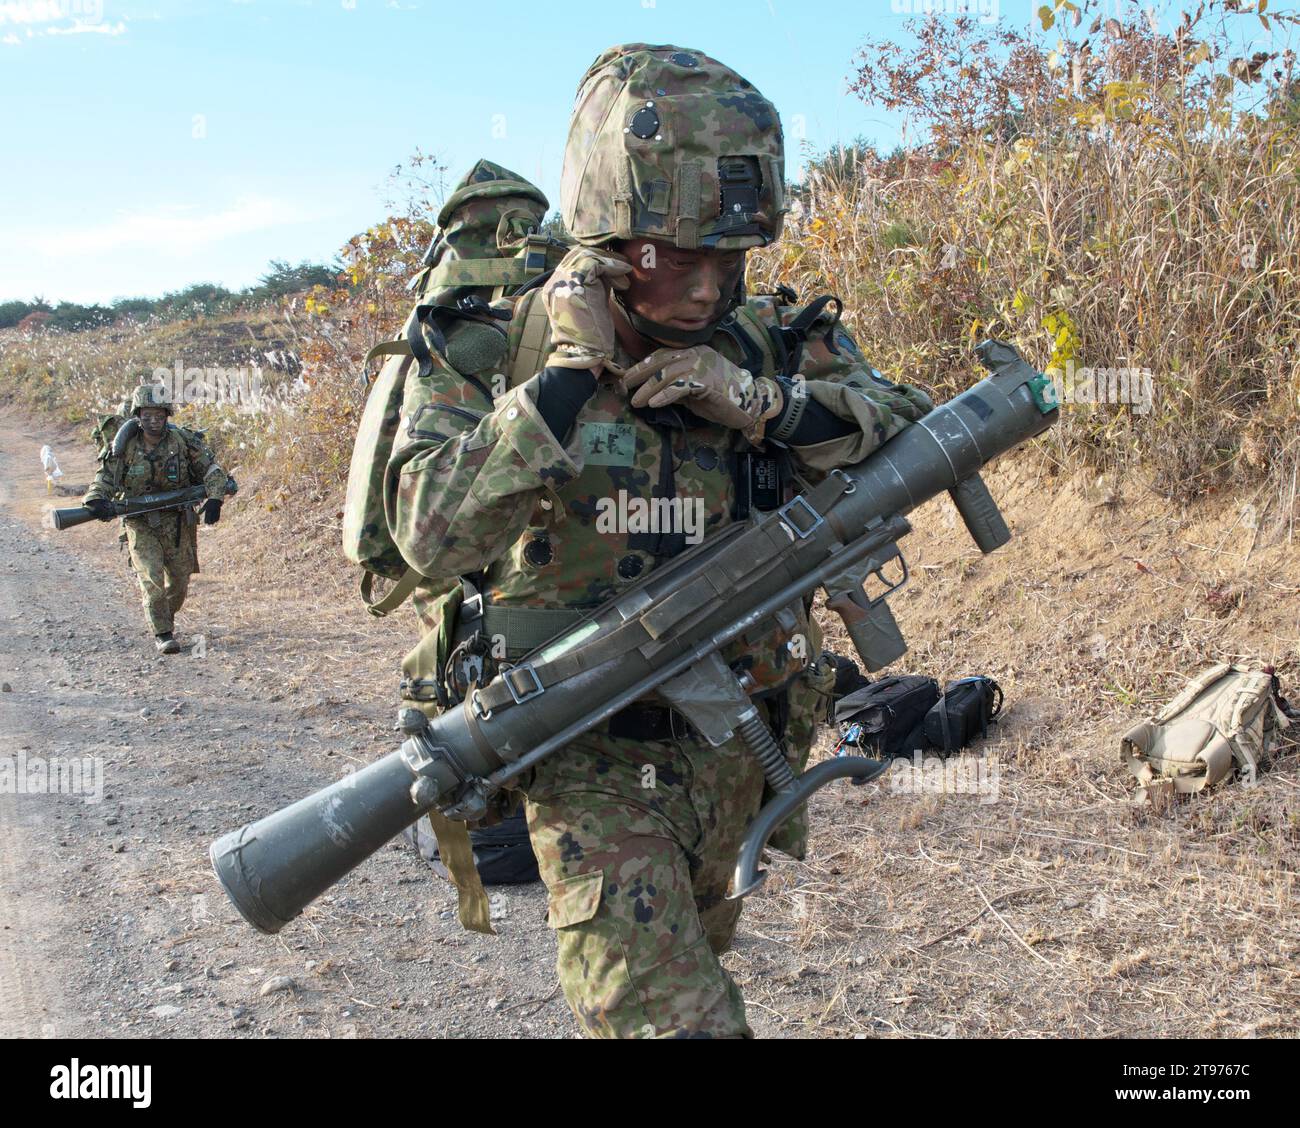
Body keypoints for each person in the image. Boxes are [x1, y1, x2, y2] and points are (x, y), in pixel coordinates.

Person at [386, 43, 934, 1037]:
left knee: (694, 962)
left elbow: (911, 419)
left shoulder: (759, 338)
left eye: (730, 258)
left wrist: (765, 406)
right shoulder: (485, 350)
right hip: (584, 750)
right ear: (608, 233)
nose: (704, 287)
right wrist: (557, 386)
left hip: (740, 740)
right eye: (675, 256)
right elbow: (425, 530)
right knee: (676, 1021)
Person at [84, 383, 229, 654]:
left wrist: (215, 498)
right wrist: (96, 500)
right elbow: (105, 477)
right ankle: (163, 633)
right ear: (138, 416)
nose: (153, 421)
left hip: (177, 523)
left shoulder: (181, 441)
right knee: (152, 579)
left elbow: (211, 469)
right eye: (147, 415)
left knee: (179, 581)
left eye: (159, 415)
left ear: (167, 415)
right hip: (140, 522)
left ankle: (165, 618)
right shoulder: (125, 446)